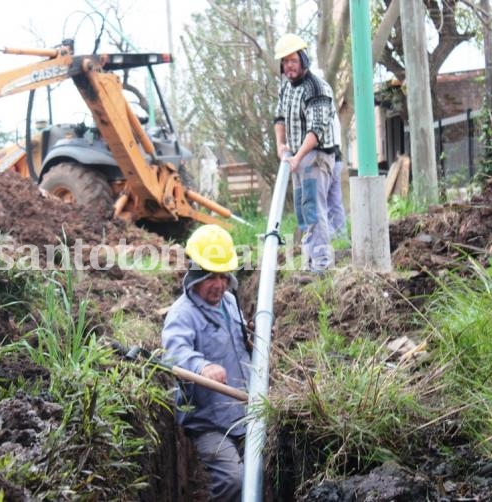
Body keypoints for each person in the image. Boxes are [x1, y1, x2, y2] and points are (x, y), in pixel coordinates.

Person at [161, 224, 251, 501]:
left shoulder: (229, 303)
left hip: (246, 412)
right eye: (212, 277)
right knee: (234, 481)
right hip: (209, 421)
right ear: (195, 274)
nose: (219, 285)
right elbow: (174, 353)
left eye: (224, 277)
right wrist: (202, 366)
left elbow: (237, 342)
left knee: (266, 471)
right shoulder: (182, 315)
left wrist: (253, 336)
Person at [273, 33, 338, 270]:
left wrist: (297, 157)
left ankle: (322, 264)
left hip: (316, 156)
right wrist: (281, 146)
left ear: (302, 59)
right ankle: (311, 261)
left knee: (314, 209)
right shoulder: (287, 89)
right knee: (303, 212)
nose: (289, 66)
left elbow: (316, 130)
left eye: (292, 60)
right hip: (298, 159)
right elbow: (279, 118)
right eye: (284, 62)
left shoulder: (316, 88)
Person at [327, 112, 348, 239]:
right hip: (337, 158)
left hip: (326, 158)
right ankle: (342, 236)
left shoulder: (319, 106)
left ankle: (331, 237)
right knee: (336, 202)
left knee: (321, 202)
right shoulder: (333, 113)